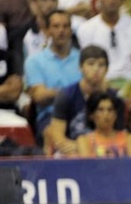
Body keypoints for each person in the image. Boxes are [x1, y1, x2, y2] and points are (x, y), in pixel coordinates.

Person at [44, 44, 127, 156]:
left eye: (101, 65)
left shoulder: (115, 97)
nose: (96, 69)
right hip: (73, 151)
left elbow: (119, 135)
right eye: (91, 64)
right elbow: (57, 135)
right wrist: (81, 147)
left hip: (106, 150)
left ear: (107, 69)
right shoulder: (66, 95)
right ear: (80, 67)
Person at [24, 9, 82, 144]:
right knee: (53, 135)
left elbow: (92, 91)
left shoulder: (83, 59)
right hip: (50, 116)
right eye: (56, 26)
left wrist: (55, 92)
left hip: (81, 114)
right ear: (48, 30)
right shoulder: (34, 61)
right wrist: (75, 92)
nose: (61, 30)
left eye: (65, 26)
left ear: (71, 30)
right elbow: (40, 96)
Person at [76, 0, 131, 89]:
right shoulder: (85, 28)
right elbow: (88, 65)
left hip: (129, 83)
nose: (111, 1)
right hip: (99, 85)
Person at [77, 91, 131, 157]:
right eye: (100, 110)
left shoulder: (129, 138)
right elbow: (85, 166)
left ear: (115, 114)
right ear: (91, 115)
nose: (106, 114)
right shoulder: (84, 141)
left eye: (110, 110)